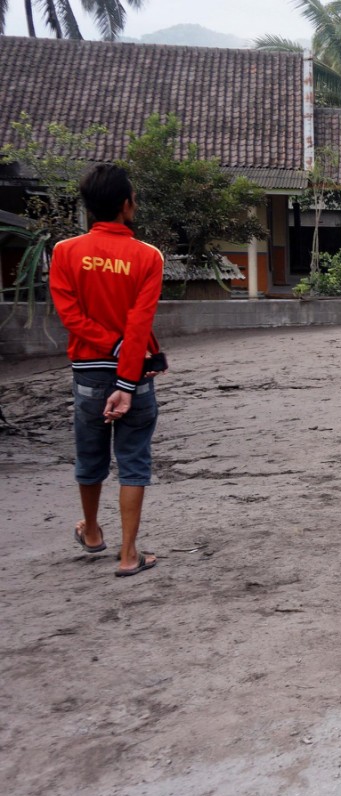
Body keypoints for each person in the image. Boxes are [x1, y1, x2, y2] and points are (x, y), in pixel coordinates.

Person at [50, 162, 165, 578]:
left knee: (90, 457)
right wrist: (125, 378)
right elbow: (139, 325)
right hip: (134, 376)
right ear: (126, 204)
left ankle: (94, 532)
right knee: (133, 461)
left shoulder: (64, 252)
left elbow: (71, 316)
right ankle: (129, 554)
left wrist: (107, 349)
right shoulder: (147, 256)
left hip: (87, 375)